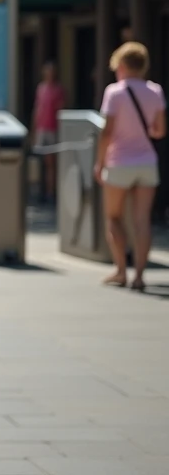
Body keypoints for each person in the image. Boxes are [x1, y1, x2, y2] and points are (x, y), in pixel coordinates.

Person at [95, 42, 165, 292]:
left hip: (119, 161)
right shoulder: (155, 91)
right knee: (142, 220)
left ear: (122, 66)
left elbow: (107, 132)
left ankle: (121, 270)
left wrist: (100, 162)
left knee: (113, 217)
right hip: (147, 161)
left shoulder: (114, 92)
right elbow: (159, 130)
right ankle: (140, 276)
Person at [31, 62, 64, 202]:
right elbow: (37, 109)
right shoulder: (41, 88)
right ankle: (39, 189)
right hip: (41, 128)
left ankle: (51, 192)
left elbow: (61, 109)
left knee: (51, 162)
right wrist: (33, 128)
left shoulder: (58, 90)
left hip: (52, 128)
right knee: (39, 160)